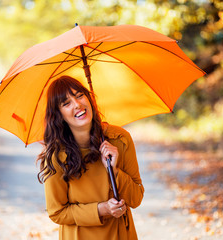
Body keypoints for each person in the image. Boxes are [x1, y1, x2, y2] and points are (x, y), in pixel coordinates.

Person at [37, 75, 144, 239]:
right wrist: (102, 209)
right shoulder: (56, 155)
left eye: (79, 95)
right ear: (59, 115)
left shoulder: (119, 139)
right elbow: (57, 212)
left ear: (89, 98)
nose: (77, 104)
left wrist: (114, 171)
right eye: (66, 103)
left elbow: (136, 199)